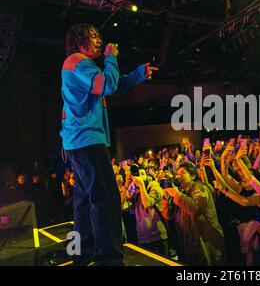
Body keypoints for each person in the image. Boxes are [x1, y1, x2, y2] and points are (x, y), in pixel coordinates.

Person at [60, 23, 158, 266]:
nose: (99, 41)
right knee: (105, 198)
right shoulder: (77, 60)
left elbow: (110, 86)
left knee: (85, 199)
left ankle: (83, 254)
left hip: (78, 143)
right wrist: (111, 58)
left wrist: (138, 74)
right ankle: (109, 259)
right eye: (93, 36)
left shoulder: (81, 66)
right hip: (87, 141)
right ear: (80, 39)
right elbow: (107, 85)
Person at [161, 162, 225, 265]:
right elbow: (168, 215)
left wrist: (177, 195)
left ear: (193, 176)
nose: (178, 176)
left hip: (206, 242)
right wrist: (166, 197)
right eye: (177, 174)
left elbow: (196, 209)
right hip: (190, 242)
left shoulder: (200, 188)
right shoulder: (183, 192)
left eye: (182, 173)